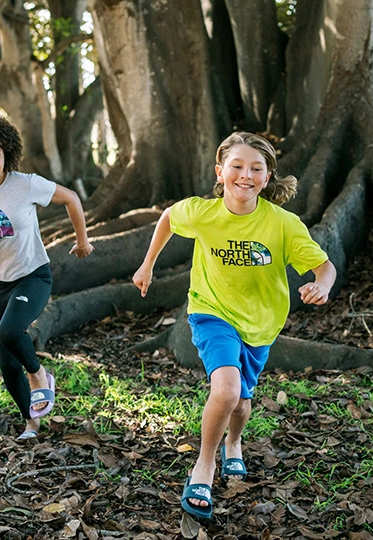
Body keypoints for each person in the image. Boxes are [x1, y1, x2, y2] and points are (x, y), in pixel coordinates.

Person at [132, 132, 336, 520]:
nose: (246, 175)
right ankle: (204, 466)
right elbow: (168, 218)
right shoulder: (203, 213)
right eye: (237, 166)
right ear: (220, 172)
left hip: (260, 324)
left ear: (268, 176)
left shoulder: (283, 224)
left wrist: (321, 285)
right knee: (225, 390)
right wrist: (148, 264)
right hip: (211, 312)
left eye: (256, 168)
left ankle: (234, 445)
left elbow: (325, 266)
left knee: (242, 401)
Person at [0, 115, 93, 441]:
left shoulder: (24, 183)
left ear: (6, 155)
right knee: (5, 362)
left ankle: (40, 376)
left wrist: (82, 240)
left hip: (32, 276)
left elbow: (70, 197)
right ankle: (32, 423)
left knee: (11, 330)